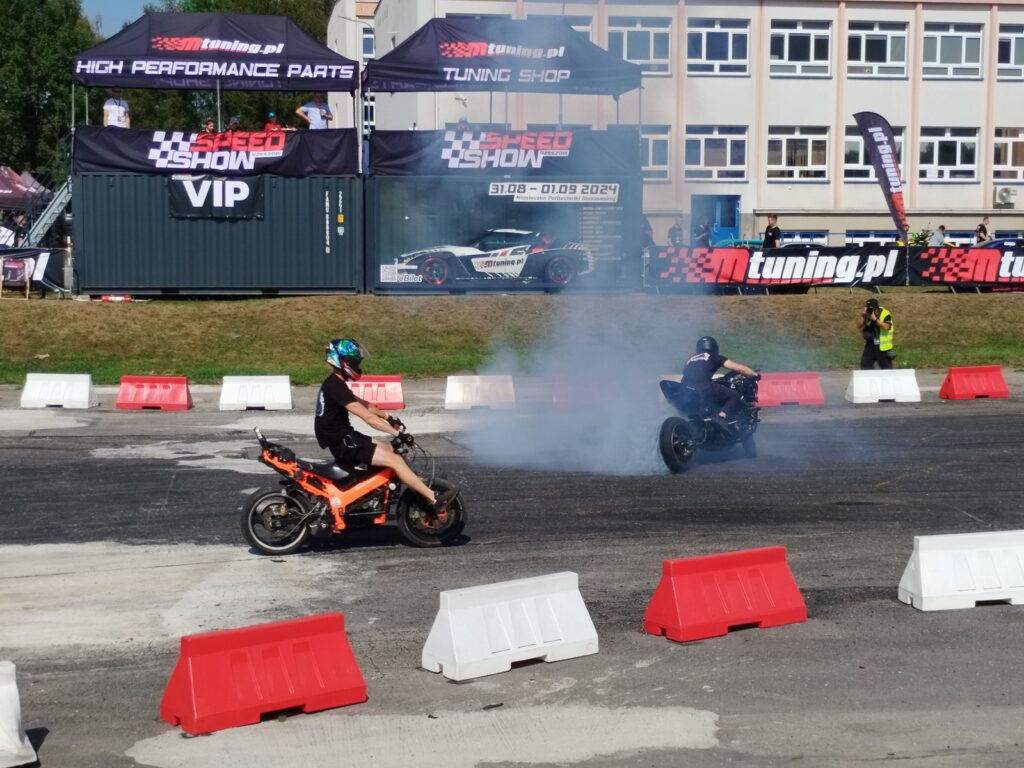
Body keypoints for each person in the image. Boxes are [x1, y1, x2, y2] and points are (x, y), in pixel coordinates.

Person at [314, 338, 459, 512]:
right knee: (396, 461)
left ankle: (414, 483)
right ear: (343, 361)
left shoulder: (336, 383)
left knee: (391, 450)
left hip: (346, 437)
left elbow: (366, 405)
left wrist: (389, 417)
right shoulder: (334, 386)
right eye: (355, 361)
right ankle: (433, 499)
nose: (358, 364)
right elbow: (368, 417)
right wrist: (397, 434)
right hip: (342, 443)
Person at [679, 336, 759, 437]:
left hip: (685, 388)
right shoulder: (714, 356)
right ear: (714, 347)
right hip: (702, 386)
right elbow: (741, 369)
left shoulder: (690, 359)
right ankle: (721, 417)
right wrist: (755, 375)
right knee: (734, 396)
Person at [857, 298, 894, 370]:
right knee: (865, 367)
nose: (870, 311)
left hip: (883, 348)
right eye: (868, 308)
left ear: (876, 309)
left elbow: (886, 327)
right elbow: (858, 325)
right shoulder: (867, 314)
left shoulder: (885, 314)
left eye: (871, 309)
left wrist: (875, 319)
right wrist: (862, 315)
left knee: (887, 370)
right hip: (870, 346)